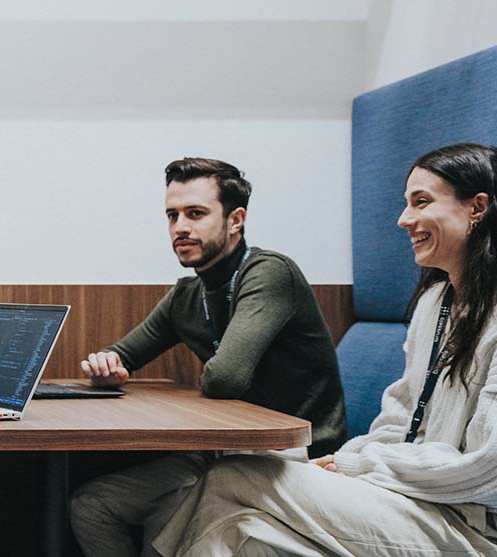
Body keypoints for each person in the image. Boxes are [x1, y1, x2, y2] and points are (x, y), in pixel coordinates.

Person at [152, 143, 497, 556]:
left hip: (469, 523)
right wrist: (347, 459)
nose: (404, 219)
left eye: (421, 202)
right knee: (243, 533)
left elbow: (487, 469)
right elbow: (399, 418)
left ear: (477, 207)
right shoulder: (435, 302)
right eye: (406, 204)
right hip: (407, 497)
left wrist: (360, 466)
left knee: (234, 475)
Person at [69, 158, 348, 557]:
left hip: (292, 458)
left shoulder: (269, 273)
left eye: (196, 214)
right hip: (221, 452)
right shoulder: (188, 294)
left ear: (236, 220)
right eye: (172, 215)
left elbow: (225, 378)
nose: (180, 227)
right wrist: (107, 366)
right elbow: (122, 353)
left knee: (163, 533)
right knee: (91, 506)